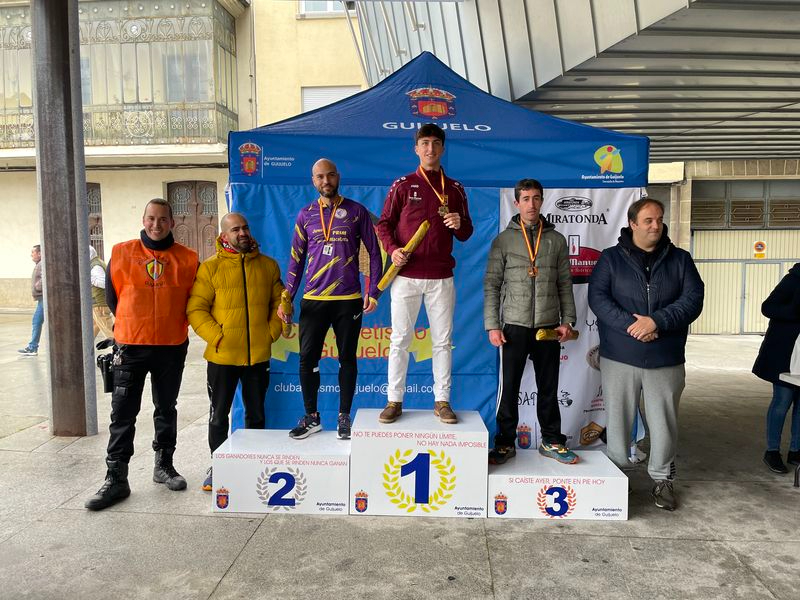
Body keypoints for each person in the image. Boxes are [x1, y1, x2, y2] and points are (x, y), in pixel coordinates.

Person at [588, 198, 703, 511]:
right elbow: (598, 298)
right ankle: (617, 476)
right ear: (633, 224)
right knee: (618, 418)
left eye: (659, 220)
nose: (656, 226)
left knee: (663, 422)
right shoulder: (611, 259)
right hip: (620, 356)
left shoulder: (681, 260)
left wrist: (657, 322)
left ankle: (662, 479)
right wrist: (633, 326)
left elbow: (693, 300)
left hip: (665, 357)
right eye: (649, 220)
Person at [85, 199, 198, 511]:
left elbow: (194, 300)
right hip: (131, 347)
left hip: (171, 347)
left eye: (163, 219)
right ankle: (116, 478)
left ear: (172, 223)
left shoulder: (188, 259)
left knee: (166, 408)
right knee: (122, 414)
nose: (156, 225)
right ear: (143, 219)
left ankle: (164, 466)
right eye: (151, 218)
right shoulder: (121, 252)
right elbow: (112, 298)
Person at [278, 159, 383, 440]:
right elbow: (296, 260)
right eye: (320, 177)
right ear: (313, 181)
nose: (326, 181)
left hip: (348, 299)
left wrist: (373, 292)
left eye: (330, 176)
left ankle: (344, 417)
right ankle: (312, 417)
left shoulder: (356, 212)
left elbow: (374, 253)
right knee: (306, 359)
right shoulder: (306, 215)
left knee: (347, 358)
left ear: (338, 177)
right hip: (313, 299)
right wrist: (287, 296)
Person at [375, 123, 473, 424]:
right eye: (424, 143)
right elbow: (384, 224)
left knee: (442, 341)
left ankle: (442, 400)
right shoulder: (403, 185)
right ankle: (394, 400)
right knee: (400, 339)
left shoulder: (454, 188)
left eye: (435, 143)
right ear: (416, 148)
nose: (430, 148)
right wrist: (393, 250)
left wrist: (459, 223)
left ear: (442, 149)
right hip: (406, 276)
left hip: (441, 277)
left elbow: (467, 233)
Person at [483, 179, 578, 465]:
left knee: (548, 387)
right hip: (513, 325)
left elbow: (565, 284)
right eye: (525, 198)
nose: (531, 204)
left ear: (542, 201)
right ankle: (504, 442)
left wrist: (569, 320)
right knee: (509, 387)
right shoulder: (503, 240)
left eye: (536, 198)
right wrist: (492, 325)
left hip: (548, 325)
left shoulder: (556, 240)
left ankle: (551, 440)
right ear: (516, 203)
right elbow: (492, 285)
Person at [188, 213, 284, 491]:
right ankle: (218, 466)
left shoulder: (268, 266)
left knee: (255, 414)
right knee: (219, 415)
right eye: (235, 229)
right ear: (224, 235)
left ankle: (252, 465)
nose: (242, 233)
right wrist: (218, 337)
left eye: (244, 228)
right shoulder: (210, 269)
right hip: (222, 358)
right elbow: (196, 309)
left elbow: (279, 302)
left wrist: (271, 332)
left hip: (258, 356)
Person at [752, 263, 800, 474]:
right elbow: (768, 307)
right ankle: (772, 450)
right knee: (783, 400)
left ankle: (796, 451)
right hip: (784, 352)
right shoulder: (795, 278)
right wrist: (796, 310)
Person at [18, 244, 43, 356]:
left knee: (36, 321)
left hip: (43, 298)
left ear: (39, 253)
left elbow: (45, 278)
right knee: (37, 321)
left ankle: (32, 347)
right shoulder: (39, 264)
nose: (31, 255)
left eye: (33, 252)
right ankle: (32, 347)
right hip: (42, 299)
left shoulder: (42, 264)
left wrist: (38, 286)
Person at [89, 245, 114, 341]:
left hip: (99, 303)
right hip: (99, 302)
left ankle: (120, 348)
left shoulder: (95, 266)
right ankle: (85, 347)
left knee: (109, 331)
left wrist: (90, 279)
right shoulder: (98, 262)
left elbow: (104, 283)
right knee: (94, 326)